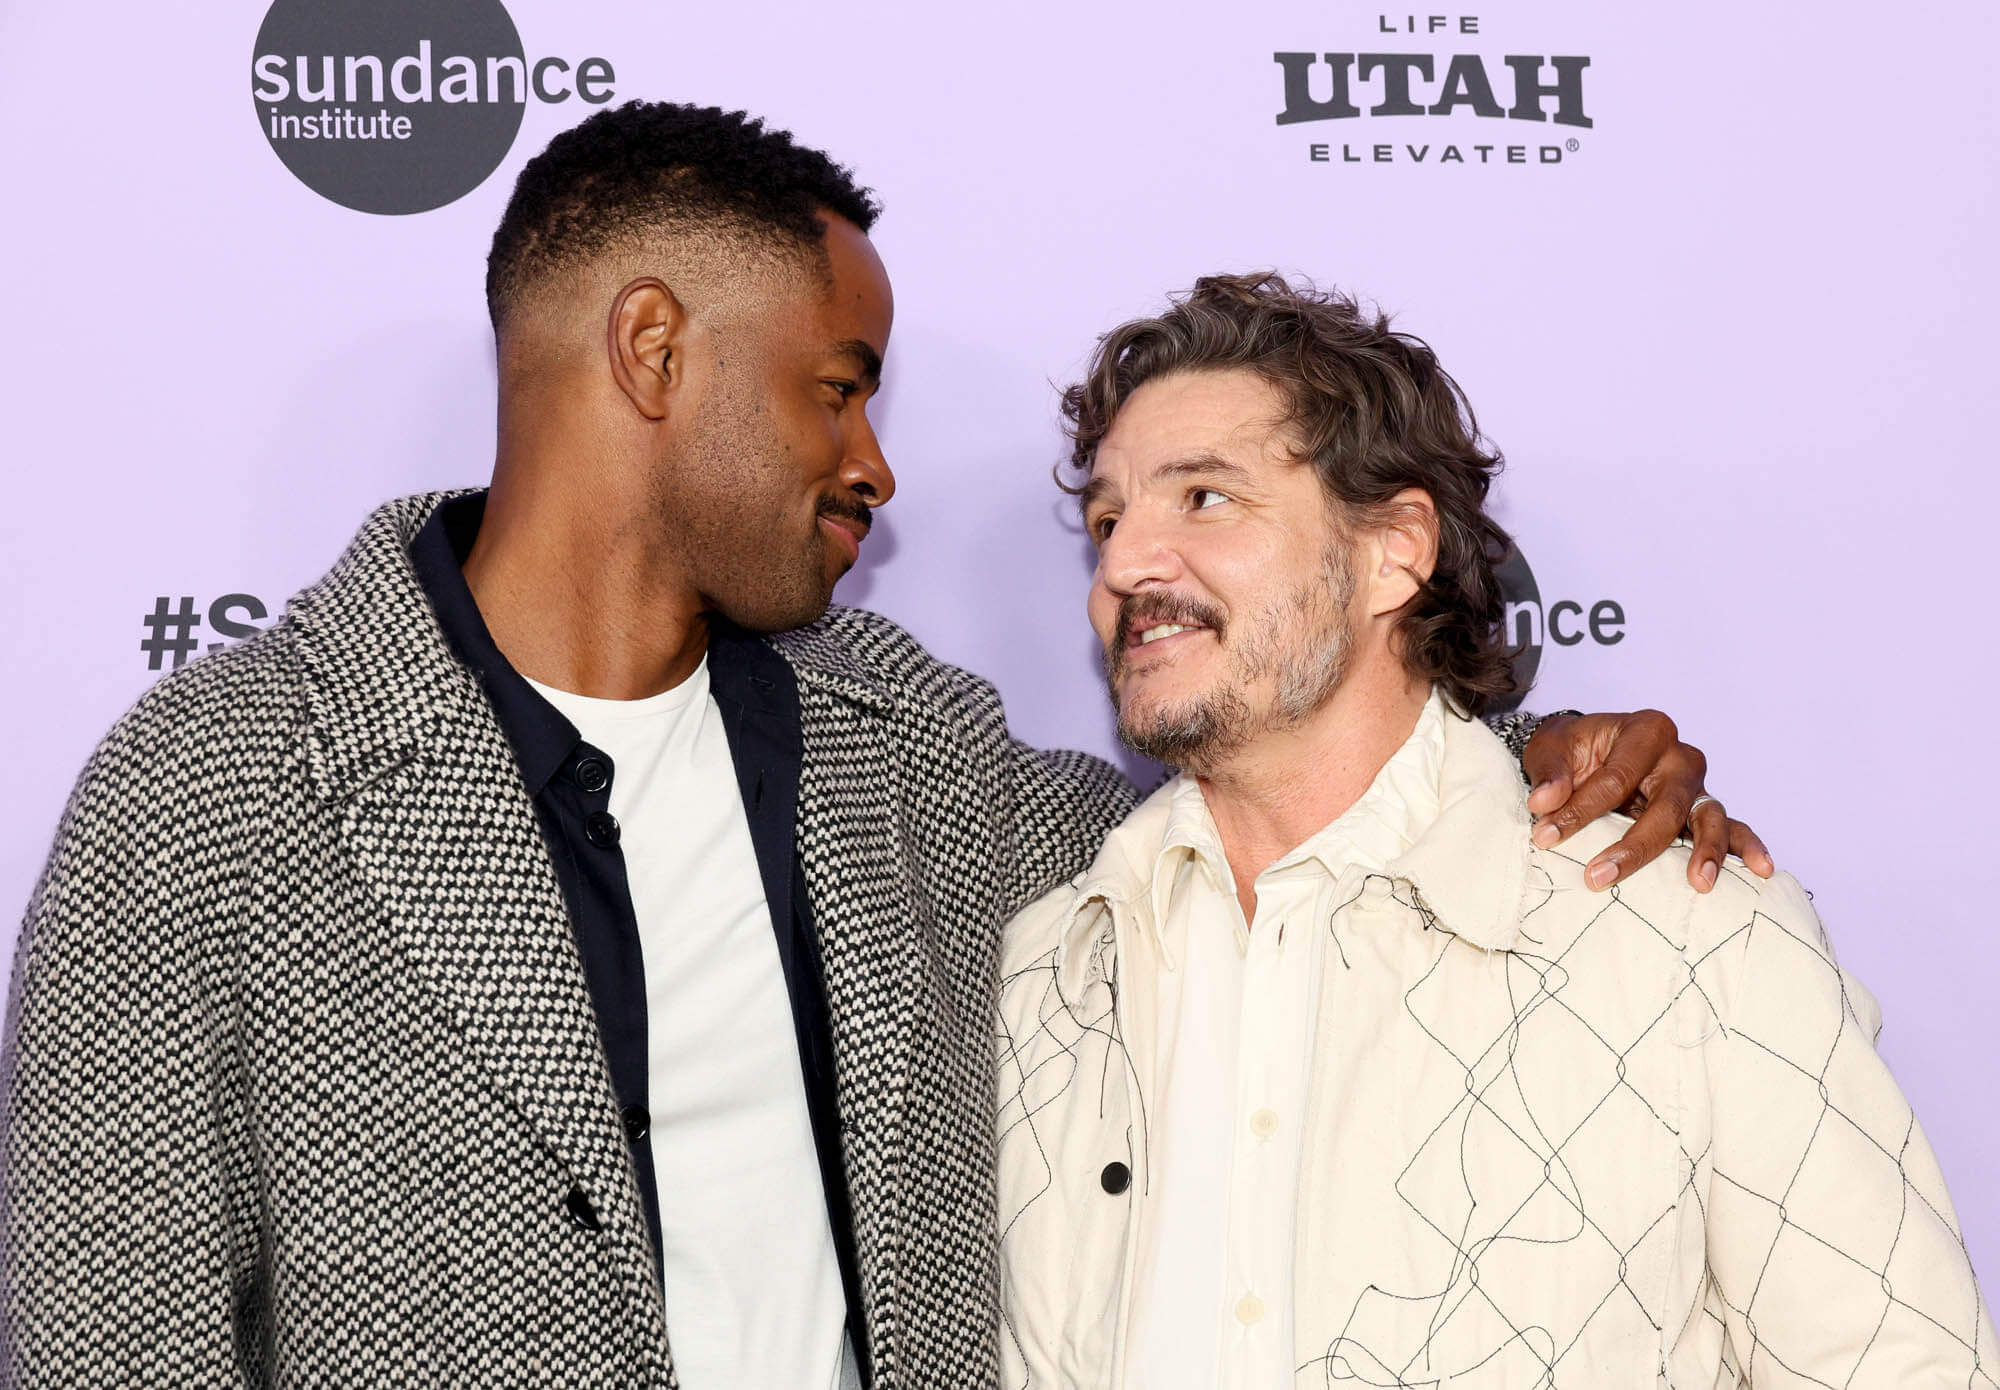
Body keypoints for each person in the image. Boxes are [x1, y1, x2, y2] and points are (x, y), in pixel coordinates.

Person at [3, 104, 1761, 1388]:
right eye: (837, 387)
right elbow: (103, 1345)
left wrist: (1534, 757)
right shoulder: (215, 794)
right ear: (651, 350)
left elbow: (1273, 812)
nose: (876, 467)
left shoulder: (900, 748)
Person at [994, 272, 1995, 1388]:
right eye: (1107, 519)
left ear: (1391, 550)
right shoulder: (1045, 972)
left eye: (1205, 499)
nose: (1125, 565)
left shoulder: (1692, 940)